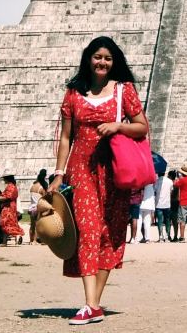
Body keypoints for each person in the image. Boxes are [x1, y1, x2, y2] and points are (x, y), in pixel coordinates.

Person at [49, 35, 149, 327]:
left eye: (107, 58)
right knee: (89, 229)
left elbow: (142, 126)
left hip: (114, 169)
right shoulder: (73, 93)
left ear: (113, 61)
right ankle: (91, 304)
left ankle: (93, 303)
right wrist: (58, 174)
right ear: (88, 59)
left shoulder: (123, 90)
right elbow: (66, 137)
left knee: (111, 233)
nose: (102, 62)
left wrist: (118, 125)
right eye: (97, 57)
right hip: (81, 170)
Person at [0, 174, 25, 245]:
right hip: (11, 206)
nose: (4, 181)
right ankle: (4, 241)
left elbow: (8, 197)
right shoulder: (13, 186)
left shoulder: (10, 186)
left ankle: (5, 241)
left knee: (5, 222)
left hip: (8, 207)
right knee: (8, 223)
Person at [29, 170, 48, 244]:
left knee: (32, 225)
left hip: (31, 207)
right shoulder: (41, 188)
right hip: (37, 207)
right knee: (37, 224)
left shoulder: (32, 186)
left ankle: (31, 240)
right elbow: (45, 197)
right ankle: (35, 240)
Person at [154, 169, 173, 242]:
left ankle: (160, 236)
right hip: (167, 203)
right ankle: (167, 236)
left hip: (159, 203)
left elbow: (155, 191)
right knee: (167, 220)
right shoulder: (169, 181)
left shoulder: (156, 181)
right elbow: (171, 190)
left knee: (160, 221)